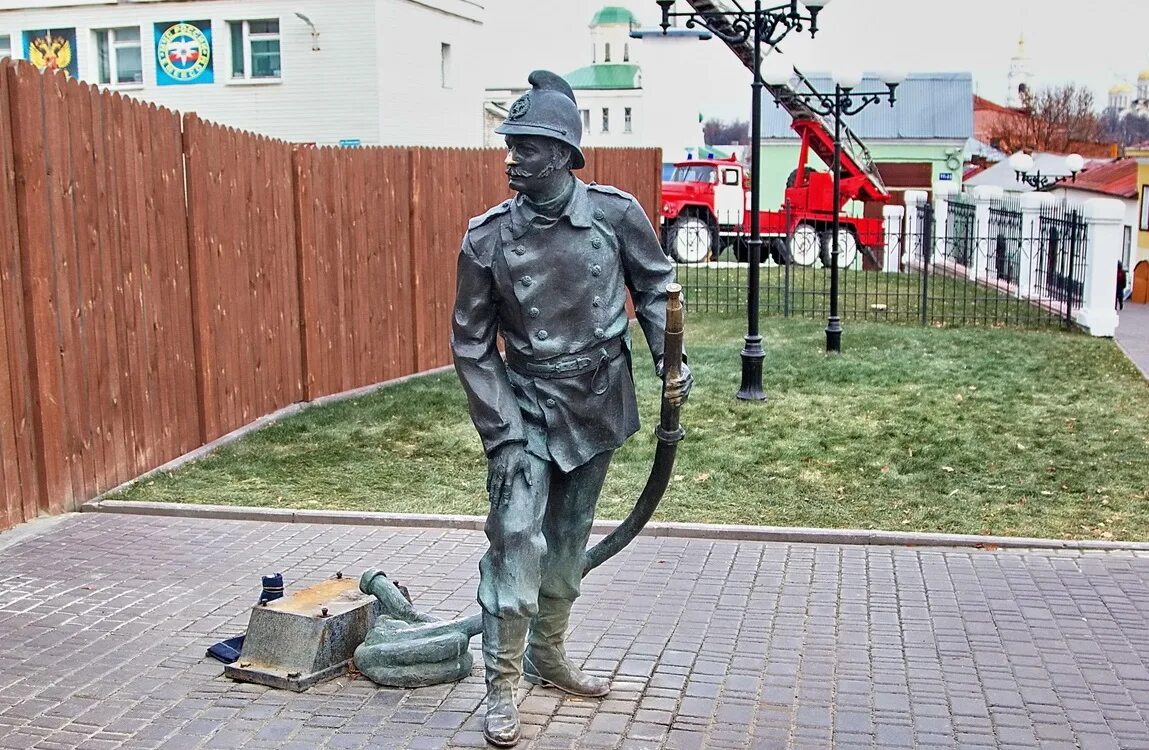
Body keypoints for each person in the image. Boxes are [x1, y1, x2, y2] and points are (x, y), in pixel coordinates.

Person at [451, 70, 692, 747]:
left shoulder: (615, 216)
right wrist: (501, 431)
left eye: (523, 146)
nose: (509, 158)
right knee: (515, 539)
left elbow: (655, 287)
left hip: (596, 401)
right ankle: (501, 686)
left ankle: (546, 656)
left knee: (566, 542)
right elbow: (470, 342)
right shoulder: (487, 237)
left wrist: (666, 357)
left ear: (559, 153)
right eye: (509, 144)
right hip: (524, 404)